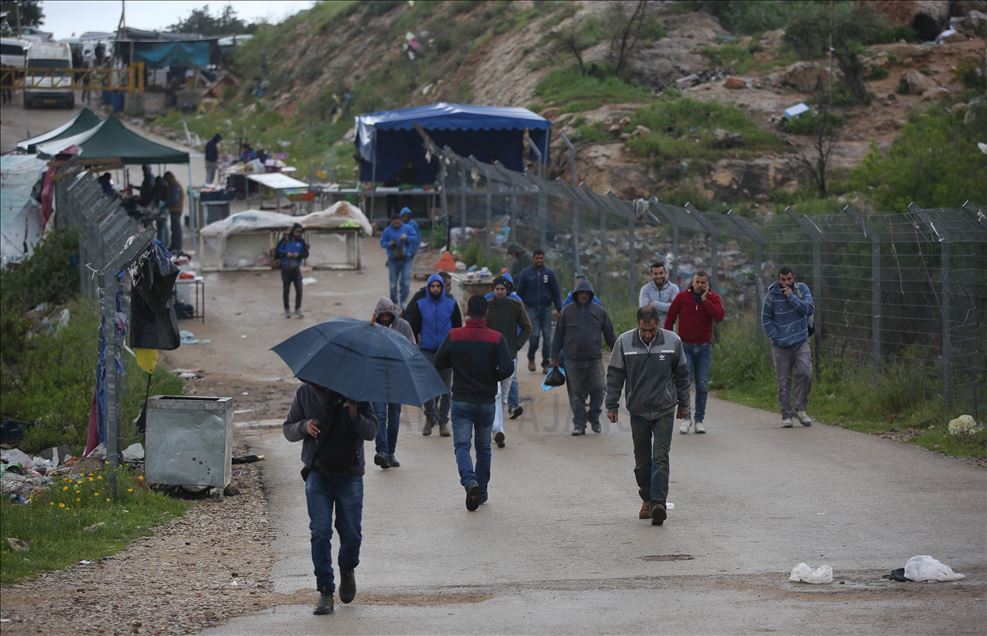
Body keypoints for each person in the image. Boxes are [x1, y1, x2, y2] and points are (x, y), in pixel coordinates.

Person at [282, 382, 377, 615]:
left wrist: (355, 415)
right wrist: (305, 426)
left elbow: (372, 431)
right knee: (320, 531)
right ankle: (325, 590)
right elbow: (288, 429)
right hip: (317, 473)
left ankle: (347, 568)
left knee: (352, 533)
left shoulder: (357, 391)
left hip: (350, 474)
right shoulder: (305, 392)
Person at [605, 305, 690, 526]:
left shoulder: (673, 342)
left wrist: (684, 405)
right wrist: (612, 405)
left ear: (658, 324)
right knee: (642, 461)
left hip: (664, 409)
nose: (648, 334)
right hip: (638, 411)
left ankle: (658, 503)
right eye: (644, 330)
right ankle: (646, 498)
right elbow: (615, 375)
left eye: (652, 330)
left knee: (661, 457)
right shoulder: (624, 343)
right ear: (638, 325)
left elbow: (682, 375)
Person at [433, 295, 514, 511]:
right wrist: (490, 376)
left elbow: (439, 361)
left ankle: (470, 482)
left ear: (467, 312)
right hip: (486, 401)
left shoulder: (455, 335)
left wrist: (459, 365)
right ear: (486, 313)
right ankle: (483, 491)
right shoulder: (496, 338)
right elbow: (507, 368)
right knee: (484, 448)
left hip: (461, 400)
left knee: (462, 446)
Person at [551, 278, 617, 435]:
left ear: (590, 294)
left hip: (594, 359)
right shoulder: (566, 312)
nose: (583, 296)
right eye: (580, 293)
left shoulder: (599, 311)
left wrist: (618, 352)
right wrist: (554, 356)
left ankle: (594, 417)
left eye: (586, 293)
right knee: (576, 394)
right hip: (571, 360)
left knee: (599, 388)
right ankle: (579, 424)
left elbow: (609, 334)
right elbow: (558, 335)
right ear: (575, 294)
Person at [664, 271, 725, 435]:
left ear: (707, 284)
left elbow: (719, 316)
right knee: (684, 383)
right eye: (697, 282)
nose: (699, 285)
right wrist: (669, 339)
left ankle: (699, 420)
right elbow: (670, 317)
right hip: (685, 347)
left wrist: (705, 301)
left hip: (704, 347)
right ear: (692, 282)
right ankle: (686, 418)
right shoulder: (682, 297)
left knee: (702, 384)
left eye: (703, 282)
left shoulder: (712, 298)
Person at [404, 273, 462, 437]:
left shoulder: (451, 304)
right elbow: (414, 328)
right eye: (432, 286)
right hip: (427, 352)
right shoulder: (421, 304)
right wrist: (414, 347)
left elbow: (458, 328)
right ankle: (430, 418)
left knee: (445, 390)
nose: (435, 289)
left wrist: (457, 349)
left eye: (438, 286)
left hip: (447, 352)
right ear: (428, 288)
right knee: (428, 388)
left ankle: (443, 421)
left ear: (442, 287)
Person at [761, 267, 815, 428]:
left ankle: (801, 408)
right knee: (783, 381)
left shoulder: (801, 290)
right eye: (783, 280)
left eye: (789, 279)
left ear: (793, 278)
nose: (786, 283)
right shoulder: (772, 296)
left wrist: (792, 297)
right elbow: (765, 318)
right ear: (778, 280)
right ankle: (787, 414)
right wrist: (775, 336)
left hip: (800, 340)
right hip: (781, 345)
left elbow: (809, 309)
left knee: (805, 372)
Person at [486, 276, 533, 448]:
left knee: (503, 395)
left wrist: (516, 345)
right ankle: (498, 429)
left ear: (507, 290)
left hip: (509, 356)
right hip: (490, 356)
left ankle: (496, 426)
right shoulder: (487, 307)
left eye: (502, 289)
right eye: (496, 289)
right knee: (495, 393)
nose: (499, 292)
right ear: (493, 289)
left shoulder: (515, 307)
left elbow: (527, 328)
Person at [370, 297, 416, 468]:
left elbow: (412, 347)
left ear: (393, 314)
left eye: (388, 315)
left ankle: (391, 452)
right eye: (382, 315)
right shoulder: (372, 327)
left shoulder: (403, 326)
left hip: (397, 378)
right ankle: (381, 451)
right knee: (380, 417)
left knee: (394, 418)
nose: (385, 318)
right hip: (377, 379)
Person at [515, 249, 562, 373]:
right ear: (533, 259)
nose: (539, 261)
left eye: (541, 258)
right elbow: (519, 293)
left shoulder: (549, 274)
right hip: (531, 309)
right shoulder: (526, 274)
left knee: (547, 337)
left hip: (546, 309)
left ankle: (546, 363)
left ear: (543, 258)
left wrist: (559, 309)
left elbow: (555, 292)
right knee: (535, 335)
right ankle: (531, 357)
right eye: (537, 258)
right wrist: (521, 307)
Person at [379, 214, 418, 309]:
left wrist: (406, 238)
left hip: (406, 260)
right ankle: (394, 302)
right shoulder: (387, 231)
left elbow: (415, 238)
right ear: (391, 221)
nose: (396, 223)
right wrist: (390, 243)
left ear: (400, 220)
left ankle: (403, 301)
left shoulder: (408, 228)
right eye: (394, 221)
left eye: (398, 220)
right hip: (393, 260)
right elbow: (382, 243)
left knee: (406, 282)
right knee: (393, 283)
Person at [277, 223, 309, 318]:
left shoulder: (302, 242)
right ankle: (287, 310)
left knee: (299, 289)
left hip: (296, 269)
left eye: (301, 232)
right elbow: (277, 252)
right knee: (286, 290)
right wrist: (286, 254)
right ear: (293, 231)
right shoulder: (285, 240)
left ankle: (298, 308)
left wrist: (298, 255)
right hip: (285, 269)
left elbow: (306, 254)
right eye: (298, 232)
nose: (299, 234)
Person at [639, 262, 680, 328]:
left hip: (669, 329)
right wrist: (667, 305)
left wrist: (654, 304)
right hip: (650, 330)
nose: (658, 276)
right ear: (651, 275)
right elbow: (643, 309)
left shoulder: (673, 288)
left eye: (661, 273)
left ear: (665, 273)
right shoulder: (645, 289)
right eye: (655, 274)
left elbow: (675, 308)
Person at [163, 172, 184, 254]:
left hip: (176, 209)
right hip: (175, 209)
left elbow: (174, 199)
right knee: (174, 228)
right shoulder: (175, 185)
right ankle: (174, 245)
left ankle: (177, 246)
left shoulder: (174, 186)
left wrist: (165, 204)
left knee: (176, 228)